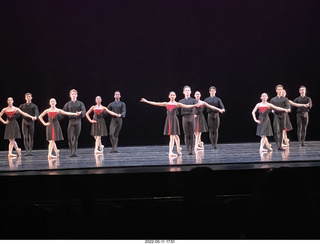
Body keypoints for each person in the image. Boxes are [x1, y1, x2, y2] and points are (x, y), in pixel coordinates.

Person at [141, 91, 199, 157]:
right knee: (174, 136)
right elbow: (156, 103)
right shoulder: (166, 104)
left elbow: (187, 106)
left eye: (173, 95)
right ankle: (175, 149)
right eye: (171, 95)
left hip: (174, 120)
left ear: (175, 96)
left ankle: (173, 150)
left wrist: (194, 105)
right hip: (169, 120)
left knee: (174, 136)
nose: (172, 96)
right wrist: (146, 101)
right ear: (169, 96)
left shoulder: (177, 104)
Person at [63, 89, 86, 157]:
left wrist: (80, 113)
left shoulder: (80, 103)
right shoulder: (67, 104)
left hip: (78, 121)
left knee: (76, 138)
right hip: (71, 121)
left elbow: (84, 111)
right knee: (70, 138)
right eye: (72, 94)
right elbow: (63, 112)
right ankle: (71, 151)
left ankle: (74, 152)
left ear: (77, 95)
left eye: (75, 94)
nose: (74, 95)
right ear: (70, 95)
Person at [269, 85, 290, 150]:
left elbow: (288, 107)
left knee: (281, 130)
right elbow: (270, 108)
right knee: (276, 131)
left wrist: (286, 109)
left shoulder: (285, 99)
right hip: (276, 116)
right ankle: (278, 144)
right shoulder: (273, 99)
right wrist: (272, 110)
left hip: (283, 116)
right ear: (276, 90)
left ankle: (280, 146)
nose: (280, 91)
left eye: (281, 89)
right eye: (278, 89)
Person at [179, 85, 198, 155]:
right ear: (183, 92)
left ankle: (192, 150)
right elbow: (178, 110)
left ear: (190, 92)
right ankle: (187, 150)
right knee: (186, 134)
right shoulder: (181, 101)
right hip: (184, 117)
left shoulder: (193, 100)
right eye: (186, 90)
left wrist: (195, 114)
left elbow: (197, 108)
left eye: (188, 90)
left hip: (191, 117)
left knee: (192, 134)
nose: (187, 91)